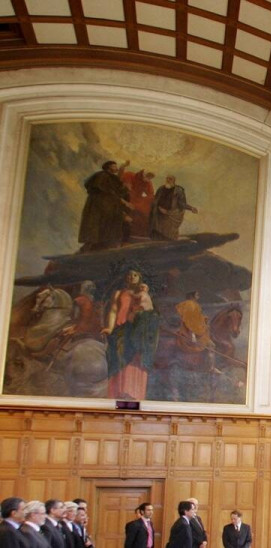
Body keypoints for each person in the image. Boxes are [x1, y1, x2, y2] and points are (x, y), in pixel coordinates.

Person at [103, 269, 160, 400]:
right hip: (121, 329)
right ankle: (118, 393)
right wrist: (110, 327)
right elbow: (113, 310)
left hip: (137, 331)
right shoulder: (119, 293)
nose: (132, 277)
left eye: (135, 275)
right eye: (129, 275)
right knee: (119, 359)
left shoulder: (143, 294)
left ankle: (135, 393)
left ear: (139, 278)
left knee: (136, 361)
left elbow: (149, 312)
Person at [78, 160, 133, 252]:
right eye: (114, 166)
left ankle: (103, 244)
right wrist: (122, 201)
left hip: (106, 204)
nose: (116, 168)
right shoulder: (102, 176)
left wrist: (125, 187)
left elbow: (116, 189)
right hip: (99, 205)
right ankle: (91, 246)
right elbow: (107, 190)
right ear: (108, 167)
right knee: (98, 225)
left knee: (107, 224)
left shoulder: (111, 177)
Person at [150, 175, 197, 241]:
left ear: (174, 181)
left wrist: (191, 208)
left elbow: (182, 203)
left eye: (170, 179)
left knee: (170, 234)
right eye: (167, 179)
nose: (168, 180)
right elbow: (155, 200)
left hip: (171, 215)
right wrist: (158, 208)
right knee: (159, 232)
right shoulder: (161, 189)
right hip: (159, 215)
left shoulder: (179, 190)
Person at [120, 169, 155, 239]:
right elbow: (127, 187)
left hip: (137, 199)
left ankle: (142, 233)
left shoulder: (148, 182)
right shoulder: (130, 175)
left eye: (150, 177)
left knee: (147, 206)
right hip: (127, 197)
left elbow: (150, 194)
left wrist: (147, 198)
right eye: (148, 176)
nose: (149, 178)